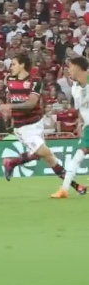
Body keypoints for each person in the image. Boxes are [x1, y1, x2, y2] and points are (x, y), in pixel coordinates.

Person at [0, 53, 85, 195]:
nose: (11, 67)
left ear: (22, 65)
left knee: (44, 156)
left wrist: (9, 106)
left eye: (14, 64)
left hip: (37, 123)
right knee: (48, 154)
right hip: (23, 127)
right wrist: (8, 115)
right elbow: (10, 97)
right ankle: (76, 186)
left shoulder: (35, 81)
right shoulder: (9, 80)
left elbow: (31, 104)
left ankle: (12, 162)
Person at [52, 56, 89, 199]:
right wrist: (81, 123)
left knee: (78, 155)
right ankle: (64, 189)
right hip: (88, 127)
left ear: (78, 67)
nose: (68, 71)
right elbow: (81, 109)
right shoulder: (75, 88)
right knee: (78, 155)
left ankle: (64, 189)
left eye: (70, 67)